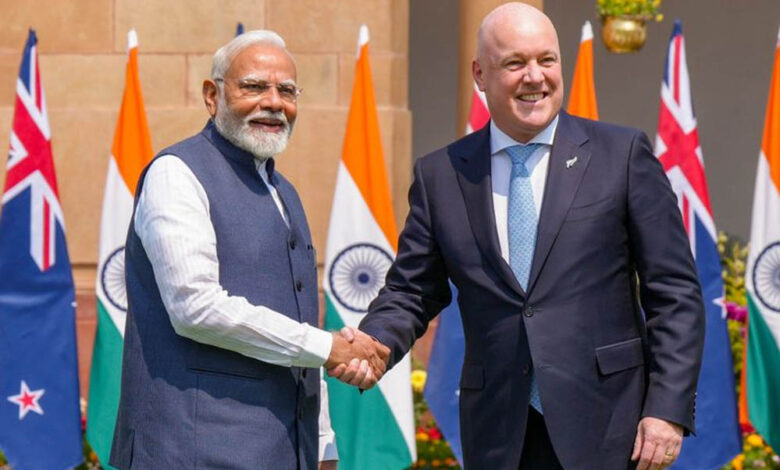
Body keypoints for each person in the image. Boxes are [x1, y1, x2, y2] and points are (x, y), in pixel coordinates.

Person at [354, 4, 705, 470]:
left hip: (611, 428)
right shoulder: (442, 174)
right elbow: (412, 290)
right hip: (499, 434)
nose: (535, 77)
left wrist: (666, 408)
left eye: (546, 60)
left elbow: (674, 291)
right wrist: (374, 342)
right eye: (515, 63)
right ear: (480, 74)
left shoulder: (621, 155)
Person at [109, 30, 388, 470]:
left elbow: (300, 318)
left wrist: (322, 441)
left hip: (283, 450)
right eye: (254, 86)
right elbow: (195, 307)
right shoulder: (176, 174)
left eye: (287, 91)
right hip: (190, 452)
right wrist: (328, 347)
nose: (274, 102)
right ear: (212, 96)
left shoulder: (285, 192)